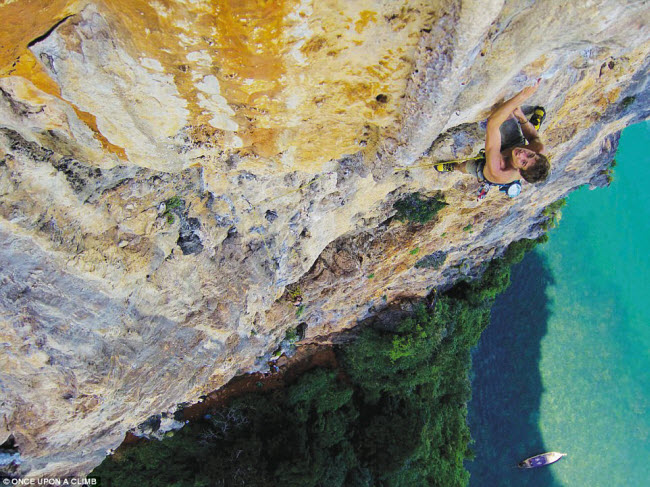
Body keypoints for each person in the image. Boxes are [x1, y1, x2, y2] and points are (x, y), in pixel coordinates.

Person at [435, 80, 550, 189]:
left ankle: (453, 166)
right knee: (505, 112)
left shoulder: (498, 171)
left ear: (519, 171)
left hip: (485, 167)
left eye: (523, 162)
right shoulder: (539, 150)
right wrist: (521, 117)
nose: (522, 154)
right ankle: (533, 124)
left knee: (466, 166)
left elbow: (493, 124)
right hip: (514, 144)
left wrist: (522, 96)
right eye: (530, 155)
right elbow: (533, 137)